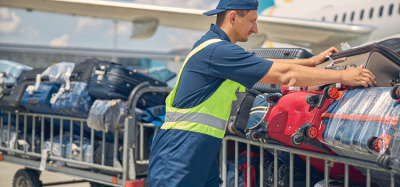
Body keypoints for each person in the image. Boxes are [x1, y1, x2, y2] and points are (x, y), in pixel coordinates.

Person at [148, 0, 376, 186]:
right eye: (253, 21)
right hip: (180, 151)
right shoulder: (217, 50)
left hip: (199, 149)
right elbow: (282, 74)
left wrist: (310, 61)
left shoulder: (215, 47)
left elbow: (260, 63)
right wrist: (343, 76)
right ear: (233, 17)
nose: (255, 29)